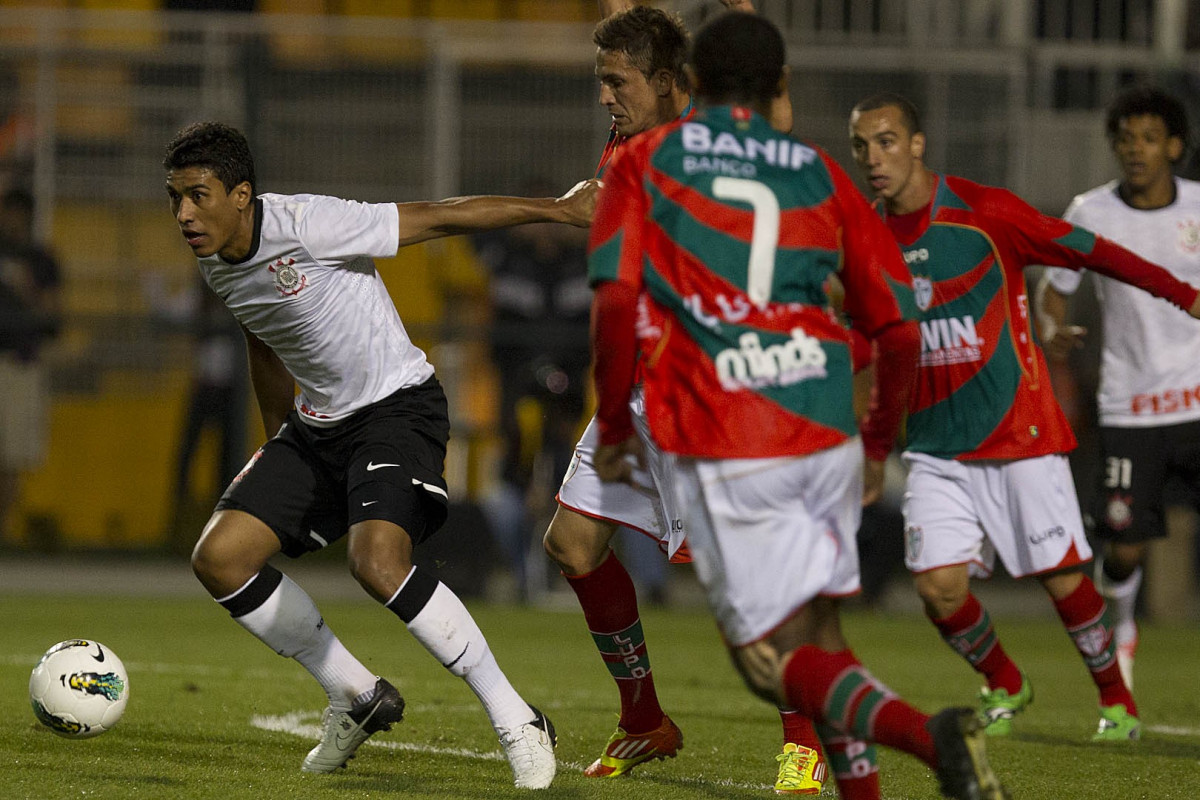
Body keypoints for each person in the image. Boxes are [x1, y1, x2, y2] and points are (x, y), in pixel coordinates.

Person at [589, 12, 1010, 800]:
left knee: (770, 662)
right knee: (822, 640)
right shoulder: (820, 172)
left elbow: (615, 304)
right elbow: (895, 325)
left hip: (728, 432)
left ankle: (932, 736)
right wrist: (877, 444)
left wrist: (615, 425)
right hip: (821, 430)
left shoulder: (645, 163)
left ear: (696, 85)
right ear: (778, 87)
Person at [163, 121, 598, 788]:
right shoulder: (212, 256)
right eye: (175, 199)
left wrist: (559, 211)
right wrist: (279, 434)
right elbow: (263, 337)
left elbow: (439, 217)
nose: (184, 214)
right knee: (220, 559)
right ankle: (355, 694)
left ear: (242, 194)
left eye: (197, 195)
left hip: (398, 409)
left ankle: (518, 717)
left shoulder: (311, 224)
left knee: (376, 562)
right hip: (316, 427)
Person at [848, 91, 1200, 742]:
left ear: (918, 144)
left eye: (887, 141)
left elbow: (1095, 252)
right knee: (939, 591)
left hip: (1020, 434)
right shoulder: (865, 239)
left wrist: (1183, 293)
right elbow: (872, 340)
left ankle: (1115, 698)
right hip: (934, 446)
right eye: (862, 146)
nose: (875, 158)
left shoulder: (986, 212)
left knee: (1064, 581)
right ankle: (1006, 682)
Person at [541, 1, 828, 794]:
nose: (605, 95)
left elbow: (775, 108)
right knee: (571, 545)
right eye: (603, 80)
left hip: (711, 390)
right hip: (632, 391)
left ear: (670, 83)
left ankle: (802, 743)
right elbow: (626, 19)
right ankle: (645, 721)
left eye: (616, 81)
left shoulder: (713, 137)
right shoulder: (626, 141)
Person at [1036, 86, 1200, 692]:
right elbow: (1052, 288)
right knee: (1124, 550)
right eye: (1126, 138)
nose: (1135, 150)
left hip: (1197, 400)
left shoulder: (1199, 210)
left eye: (1150, 138)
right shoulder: (1091, 213)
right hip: (1130, 408)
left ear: (1174, 147)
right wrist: (1051, 329)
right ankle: (1123, 630)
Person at [473, 194, 591, 600]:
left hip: (569, 397)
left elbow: (586, 337)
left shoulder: (578, 265)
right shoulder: (508, 264)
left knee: (569, 483)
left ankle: (561, 576)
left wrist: (568, 383)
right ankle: (521, 573)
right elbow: (498, 340)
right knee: (513, 483)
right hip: (519, 394)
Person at [0, 187, 61, 543]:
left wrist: (26, 288)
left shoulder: (40, 260)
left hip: (21, 364)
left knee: (12, 458)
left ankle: (4, 536)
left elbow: (54, 318)